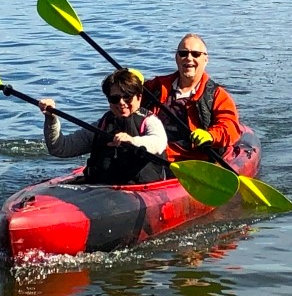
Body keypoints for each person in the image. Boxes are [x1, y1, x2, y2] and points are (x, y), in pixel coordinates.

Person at [36, 69, 168, 185]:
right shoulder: (102, 125)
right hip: (102, 189)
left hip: (141, 190)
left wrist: (132, 141)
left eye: (127, 97)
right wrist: (51, 118)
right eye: (115, 98)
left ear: (139, 97)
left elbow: (158, 143)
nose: (121, 103)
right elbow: (60, 148)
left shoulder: (150, 121)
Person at [143, 33, 241, 162]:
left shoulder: (217, 95)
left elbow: (230, 127)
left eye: (196, 54)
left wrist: (210, 135)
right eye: (183, 53)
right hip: (155, 154)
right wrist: (129, 80)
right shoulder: (156, 86)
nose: (188, 58)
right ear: (176, 57)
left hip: (193, 160)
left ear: (206, 59)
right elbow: (127, 98)